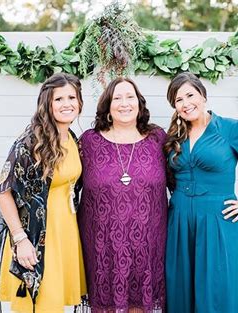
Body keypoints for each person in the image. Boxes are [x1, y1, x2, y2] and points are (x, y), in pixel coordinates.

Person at [164, 72, 238, 313]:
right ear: (175, 107)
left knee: (217, 290)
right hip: (179, 221)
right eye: (179, 100)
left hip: (218, 221)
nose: (186, 103)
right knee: (180, 291)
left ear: (203, 95)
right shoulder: (175, 137)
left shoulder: (230, 129)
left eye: (190, 95)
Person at [0, 73, 87, 313]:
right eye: (59, 99)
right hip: (35, 236)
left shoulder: (73, 139)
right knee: (37, 305)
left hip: (64, 231)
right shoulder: (31, 141)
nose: (67, 104)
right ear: (47, 104)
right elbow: (4, 192)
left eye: (72, 97)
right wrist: (20, 239)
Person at [78, 77, 167, 312]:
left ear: (139, 104)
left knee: (141, 304)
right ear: (107, 106)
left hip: (148, 246)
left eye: (130, 97)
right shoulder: (89, 141)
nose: (124, 103)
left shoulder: (158, 139)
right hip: (103, 247)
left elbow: (180, 180)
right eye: (117, 98)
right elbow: (66, 184)